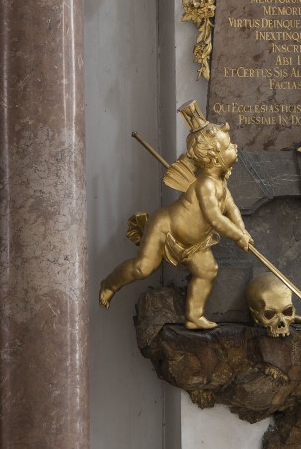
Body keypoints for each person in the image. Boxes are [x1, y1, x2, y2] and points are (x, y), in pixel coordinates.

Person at [99, 121, 251, 329]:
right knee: (143, 268)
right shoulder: (205, 185)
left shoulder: (220, 183)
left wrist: (242, 229)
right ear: (215, 158)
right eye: (228, 146)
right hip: (165, 228)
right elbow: (215, 219)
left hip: (194, 242)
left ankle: (194, 316)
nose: (234, 147)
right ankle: (110, 283)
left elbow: (231, 209)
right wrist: (238, 236)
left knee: (207, 270)